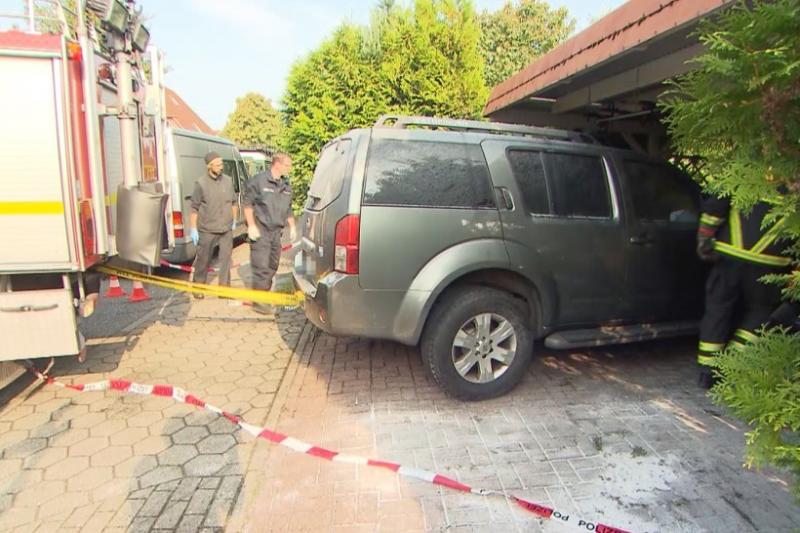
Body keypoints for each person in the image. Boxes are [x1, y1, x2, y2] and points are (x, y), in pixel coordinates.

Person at [695, 195, 791, 388]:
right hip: (770, 261)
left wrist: (705, 234)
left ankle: (708, 372)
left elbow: (718, 202)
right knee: (761, 311)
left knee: (718, 309)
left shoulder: (751, 171)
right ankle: (733, 360)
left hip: (729, 253)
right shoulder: (791, 173)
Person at [243, 153, 296, 315]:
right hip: (261, 231)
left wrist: (292, 226)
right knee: (261, 266)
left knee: (273, 265)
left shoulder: (286, 186)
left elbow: (288, 209)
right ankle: (260, 302)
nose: (290, 168)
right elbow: (247, 204)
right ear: (277, 164)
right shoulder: (259, 181)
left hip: (276, 233)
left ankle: (263, 295)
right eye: (288, 165)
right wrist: (251, 225)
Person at [189, 152, 237, 299]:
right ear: (209, 166)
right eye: (218, 165)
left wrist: (233, 220)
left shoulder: (228, 181)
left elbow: (234, 202)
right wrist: (193, 228)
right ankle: (198, 287)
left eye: (222, 164)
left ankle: (224, 290)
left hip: (226, 228)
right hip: (207, 229)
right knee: (203, 260)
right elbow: (194, 208)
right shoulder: (201, 183)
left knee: (225, 260)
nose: (221, 167)